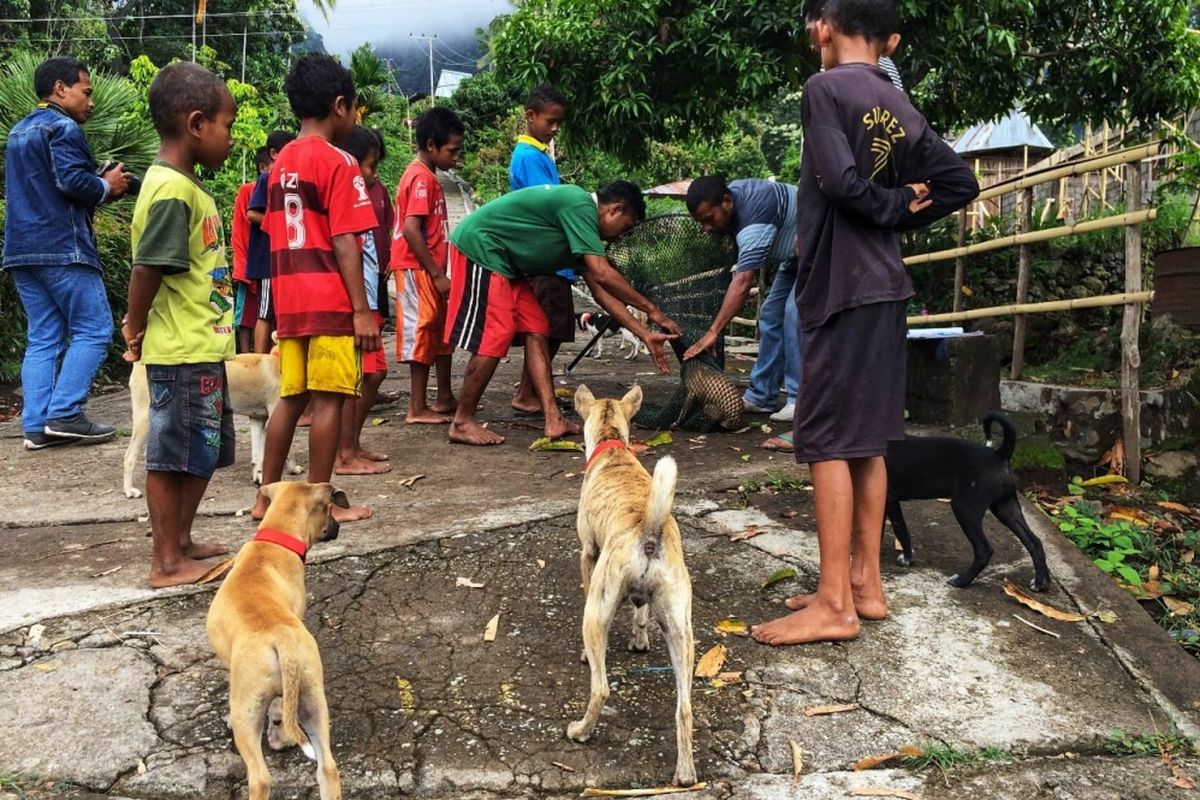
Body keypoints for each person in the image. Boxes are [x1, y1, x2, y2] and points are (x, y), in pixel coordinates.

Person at [751, 0, 979, 646]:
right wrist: (902, 208)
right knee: (866, 441)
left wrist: (883, 205)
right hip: (884, 286)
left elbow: (843, 182)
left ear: (822, 26)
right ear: (892, 41)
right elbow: (959, 182)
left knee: (825, 439)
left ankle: (832, 607)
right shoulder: (897, 103)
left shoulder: (824, 89)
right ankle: (864, 585)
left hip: (840, 287)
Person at [445, 182, 682, 446]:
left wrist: (645, 334)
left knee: (537, 328)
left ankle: (553, 418)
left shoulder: (583, 232)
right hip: (481, 248)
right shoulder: (578, 204)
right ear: (614, 210)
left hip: (507, 264)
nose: (621, 236)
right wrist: (652, 310)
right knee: (496, 333)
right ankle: (462, 421)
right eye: (625, 227)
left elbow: (602, 294)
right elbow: (603, 272)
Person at [120, 62, 238, 587]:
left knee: (203, 450)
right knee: (172, 456)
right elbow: (148, 265)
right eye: (228, 126)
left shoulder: (185, 186)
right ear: (196, 124)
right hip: (179, 350)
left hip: (201, 343)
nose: (232, 139)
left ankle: (181, 540)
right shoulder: (170, 190)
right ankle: (166, 561)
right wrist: (133, 323)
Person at [250, 54, 382, 523]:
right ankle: (319, 507)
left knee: (291, 398)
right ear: (340, 104)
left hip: (289, 300)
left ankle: (265, 498)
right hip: (328, 300)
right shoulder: (340, 163)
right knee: (329, 399)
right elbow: (347, 240)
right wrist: (362, 310)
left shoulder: (281, 161)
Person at [3, 55, 133, 450]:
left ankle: (37, 425)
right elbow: (72, 181)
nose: (91, 102)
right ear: (61, 89)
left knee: (43, 337)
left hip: (22, 251)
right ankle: (65, 413)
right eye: (86, 91)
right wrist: (107, 185)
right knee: (94, 330)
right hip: (63, 248)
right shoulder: (63, 127)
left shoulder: (18, 131)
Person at [683, 176, 802, 430]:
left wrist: (713, 332)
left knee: (795, 313)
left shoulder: (754, 214)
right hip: (794, 257)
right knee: (771, 314)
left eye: (708, 219)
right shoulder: (732, 198)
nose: (706, 228)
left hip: (820, 247)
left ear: (726, 202)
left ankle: (799, 397)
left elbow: (743, 280)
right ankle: (762, 396)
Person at [392, 107, 463, 424]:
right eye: (452, 151)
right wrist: (436, 273)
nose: (456, 158)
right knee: (421, 329)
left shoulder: (427, 177)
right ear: (432, 145)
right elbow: (410, 229)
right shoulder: (421, 179)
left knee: (439, 328)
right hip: (417, 269)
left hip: (429, 269)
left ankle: (444, 396)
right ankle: (416, 406)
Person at [507, 85, 575, 415]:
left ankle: (529, 391)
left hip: (550, 258)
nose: (554, 129)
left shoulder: (537, 154)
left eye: (559, 122)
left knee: (549, 329)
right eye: (550, 121)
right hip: (546, 259)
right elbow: (548, 206)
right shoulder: (529, 157)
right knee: (547, 329)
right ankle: (528, 393)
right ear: (531, 116)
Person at [334, 125, 392, 476]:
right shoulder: (346, 200)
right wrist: (361, 309)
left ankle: (351, 445)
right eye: (370, 165)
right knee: (365, 375)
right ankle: (344, 453)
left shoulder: (364, 197)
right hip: (359, 304)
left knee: (368, 375)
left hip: (368, 299)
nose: (374, 173)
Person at [245, 130, 297, 354]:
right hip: (267, 258)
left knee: (279, 310)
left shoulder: (289, 179)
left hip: (282, 256)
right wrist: (277, 225)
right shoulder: (268, 178)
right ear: (275, 153)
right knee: (265, 311)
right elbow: (252, 213)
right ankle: (259, 359)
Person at [230, 147, 269, 353]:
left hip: (264, 259)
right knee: (245, 314)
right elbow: (241, 226)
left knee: (264, 310)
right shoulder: (248, 190)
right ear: (263, 167)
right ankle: (245, 353)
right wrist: (242, 261)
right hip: (248, 259)